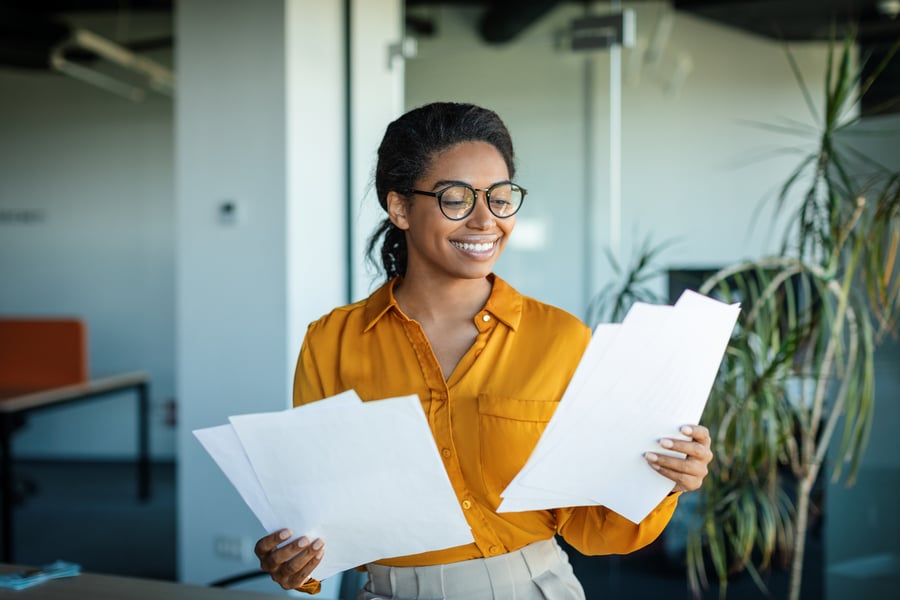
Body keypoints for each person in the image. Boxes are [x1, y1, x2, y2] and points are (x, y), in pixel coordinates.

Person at [253, 102, 713, 599]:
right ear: (400, 208)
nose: (484, 220)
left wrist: (664, 480)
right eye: (456, 198)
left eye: (500, 197)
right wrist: (294, 560)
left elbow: (595, 527)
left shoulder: (561, 340)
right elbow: (318, 519)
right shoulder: (332, 343)